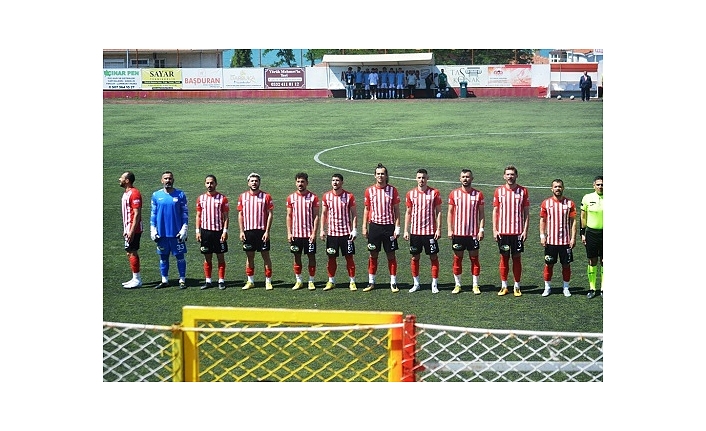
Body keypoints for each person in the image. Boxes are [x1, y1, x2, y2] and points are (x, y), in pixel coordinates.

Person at [362, 163, 401, 292]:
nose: (380, 176)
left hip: (388, 227)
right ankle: (371, 282)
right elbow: (366, 209)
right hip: (374, 227)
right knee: (373, 255)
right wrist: (364, 226)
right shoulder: (369, 190)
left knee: (391, 255)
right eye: (378, 174)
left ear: (386, 175)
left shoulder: (392, 190)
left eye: (382, 174)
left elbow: (396, 210)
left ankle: (393, 282)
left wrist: (397, 227)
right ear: (375, 175)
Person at [492, 165, 530, 297]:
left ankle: (517, 286)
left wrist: (525, 230)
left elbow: (526, 213)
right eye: (508, 174)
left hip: (517, 232)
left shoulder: (523, 191)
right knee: (504, 259)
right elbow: (495, 211)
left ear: (516, 176)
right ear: (504, 176)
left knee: (517, 259)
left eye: (512, 174)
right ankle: (504, 286)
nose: (510, 176)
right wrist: (495, 229)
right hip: (503, 232)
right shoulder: (499, 191)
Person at [447, 169, 485, 295]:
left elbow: (481, 214)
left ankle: (475, 285)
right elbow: (450, 213)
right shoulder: (454, 194)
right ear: (460, 178)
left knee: (474, 259)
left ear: (472, 178)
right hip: (458, 233)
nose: (465, 179)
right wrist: (450, 229)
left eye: (467, 177)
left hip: (473, 233)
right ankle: (458, 285)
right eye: (463, 177)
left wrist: (481, 229)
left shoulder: (478, 194)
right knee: (457, 259)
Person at [403, 169, 442, 293]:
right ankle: (416, 283)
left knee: (433, 256)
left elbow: (439, 211)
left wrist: (439, 229)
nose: (421, 180)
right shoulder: (410, 194)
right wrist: (405, 230)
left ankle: (434, 284)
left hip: (430, 231)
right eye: (419, 177)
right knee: (415, 258)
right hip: (415, 232)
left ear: (427, 178)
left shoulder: (434, 193)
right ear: (416, 178)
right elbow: (408, 213)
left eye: (423, 177)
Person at [150, 171, 189, 289]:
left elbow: (185, 213)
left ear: (173, 180)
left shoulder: (180, 194)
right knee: (163, 257)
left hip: (176, 233)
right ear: (162, 180)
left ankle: (182, 280)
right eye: (165, 179)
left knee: (180, 257)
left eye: (170, 179)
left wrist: (184, 229)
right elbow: (153, 213)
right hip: (162, 233)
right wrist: (153, 229)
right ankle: (164, 280)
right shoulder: (156, 195)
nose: (168, 181)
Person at [319, 173, 358, 291]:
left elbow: (354, 214)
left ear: (342, 182)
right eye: (333, 180)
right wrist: (322, 229)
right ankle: (331, 281)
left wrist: (354, 230)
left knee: (349, 258)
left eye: (337, 180)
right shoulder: (326, 196)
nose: (335, 182)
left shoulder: (349, 196)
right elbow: (324, 214)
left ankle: (352, 281)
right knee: (331, 259)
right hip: (332, 234)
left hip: (346, 234)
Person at [539, 179, 577, 297]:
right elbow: (543, 220)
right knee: (549, 264)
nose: (557, 189)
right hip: (550, 241)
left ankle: (566, 287)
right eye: (555, 187)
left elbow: (573, 222)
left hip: (565, 241)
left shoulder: (569, 203)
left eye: (559, 187)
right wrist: (542, 235)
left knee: (566, 265)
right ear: (552, 189)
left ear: (563, 188)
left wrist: (573, 238)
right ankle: (547, 287)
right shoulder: (546, 203)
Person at [238, 172, 274, 290]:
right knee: (249, 256)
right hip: (248, 231)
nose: (254, 183)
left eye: (256, 181)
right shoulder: (243, 197)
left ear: (259, 182)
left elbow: (270, 214)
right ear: (248, 183)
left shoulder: (266, 196)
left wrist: (267, 231)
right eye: (252, 181)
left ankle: (268, 281)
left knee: (265, 255)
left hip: (262, 231)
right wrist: (241, 231)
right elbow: (240, 215)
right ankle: (250, 281)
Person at [195, 174, 230, 290]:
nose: (210, 185)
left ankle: (221, 280)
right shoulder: (201, 198)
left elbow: (226, 217)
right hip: (205, 232)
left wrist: (225, 231)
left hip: (218, 232)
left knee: (220, 257)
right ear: (205, 184)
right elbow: (198, 216)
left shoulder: (222, 198)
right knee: (207, 257)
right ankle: (208, 281)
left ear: (216, 184)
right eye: (207, 183)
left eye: (212, 183)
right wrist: (197, 231)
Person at [286, 172, 319, 291]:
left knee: (311, 257)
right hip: (296, 234)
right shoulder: (291, 198)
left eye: (302, 182)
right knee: (297, 257)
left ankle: (311, 280)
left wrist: (314, 233)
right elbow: (289, 216)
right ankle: (299, 280)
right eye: (298, 182)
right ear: (296, 183)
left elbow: (316, 216)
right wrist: (289, 233)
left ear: (307, 183)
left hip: (309, 234)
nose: (300, 184)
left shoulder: (313, 197)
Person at [119, 171, 143, 289]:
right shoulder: (126, 193)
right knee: (129, 251)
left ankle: (137, 279)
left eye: (122, 178)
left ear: (127, 180)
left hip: (134, 229)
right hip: (128, 229)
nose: (120, 179)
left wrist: (132, 231)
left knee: (132, 251)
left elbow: (137, 214)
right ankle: (134, 278)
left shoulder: (134, 193)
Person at [581, 176, 603, 298]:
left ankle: (603, 289)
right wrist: (582, 232)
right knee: (592, 260)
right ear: (593, 185)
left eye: (602, 184)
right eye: (598, 184)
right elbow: (583, 216)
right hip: (591, 233)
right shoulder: (587, 198)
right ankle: (592, 288)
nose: (600, 187)